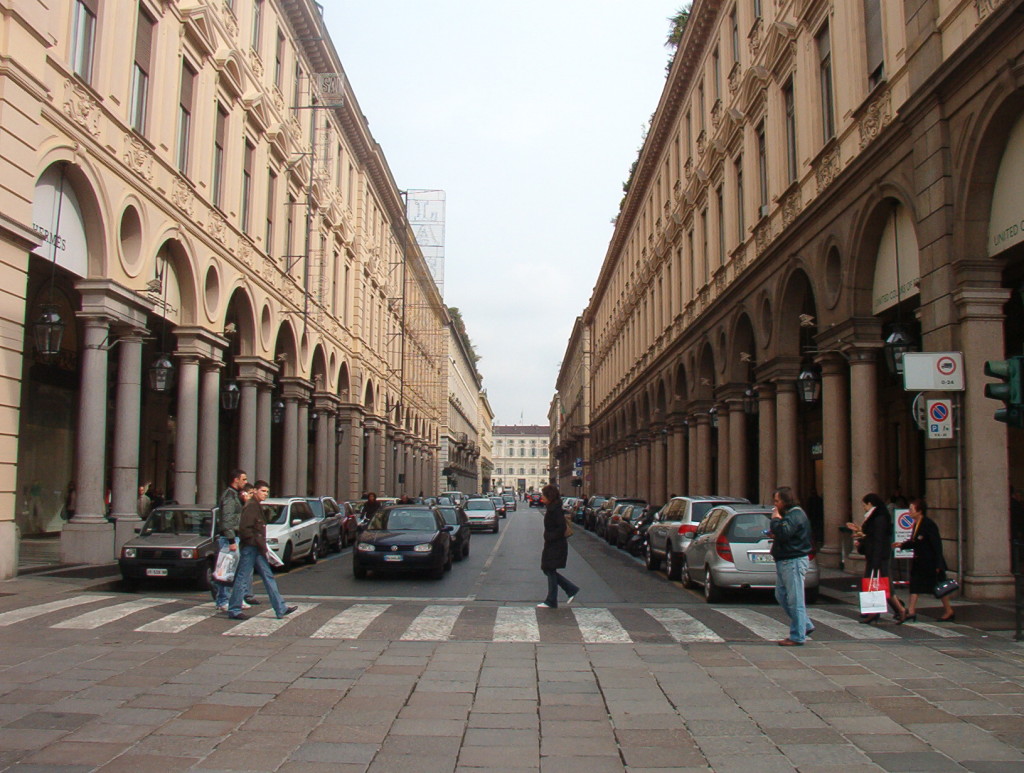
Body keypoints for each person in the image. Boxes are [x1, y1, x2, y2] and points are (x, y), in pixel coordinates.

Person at [226, 480, 297, 620]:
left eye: (267, 492)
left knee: (267, 576)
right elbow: (245, 528)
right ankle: (234, 609)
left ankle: (280, 608)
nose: (265, 494)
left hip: (257, 547)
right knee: (243, 577)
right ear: (255, 491)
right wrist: (254, 542)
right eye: (263, 491)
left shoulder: (256, 505)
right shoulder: (251, 506)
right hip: (251, 547)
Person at [848, 493, 907, 623]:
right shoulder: (878, 516)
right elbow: (873, 536)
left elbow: (878, 539)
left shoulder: (879, 518)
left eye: (864, 505)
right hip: (876, 556)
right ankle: (877, 611)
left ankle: (898, 610)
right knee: (879, 585)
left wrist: (875, 559)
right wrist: (861, 535)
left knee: (881, 585)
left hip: (878, 557)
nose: (864, 508)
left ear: (870, 504)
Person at [893, 498, 954, 622]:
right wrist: (902, 545)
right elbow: (915, 542)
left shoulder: (928, 524)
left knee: (939, 586)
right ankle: (911, 611)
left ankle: (949, 610)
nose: (909, 512)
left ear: (919, 511)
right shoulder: (917, 524)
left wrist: (939, 563)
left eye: (911, 509)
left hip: (930, 562)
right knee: (915, 585)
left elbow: (936, 544)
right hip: (919, 561)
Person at [769, 486, 814, 646]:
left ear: (785, 501)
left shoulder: (795, 514)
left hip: (793, 560)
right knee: (781, 595)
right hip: (786, 560)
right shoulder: (791, 515)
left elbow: (784, 533)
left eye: (777, 501)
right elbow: (786, 534)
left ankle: (798, 636)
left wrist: (775, 520)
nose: (775, 505)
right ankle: (805, 624)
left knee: (795, 600)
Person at [215, 469, 256, 612]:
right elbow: (227, 520)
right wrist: (231, 540)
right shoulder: (229, 496)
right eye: (243, 479)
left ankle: (236, 598)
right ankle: (223, 600)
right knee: (227, 570)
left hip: (238, 536)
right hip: (230, 538)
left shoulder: (236, 495)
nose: (245, 482)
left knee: (237, 570)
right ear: (236, 479)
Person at [537, 483, 580, 609]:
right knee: (548, 569)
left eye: (543, 495)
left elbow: (561, 527)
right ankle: (570, 589)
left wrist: (549, 536)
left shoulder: (554, 510)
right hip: (554, 544)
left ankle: (552, 600)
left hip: (556, 544)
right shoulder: (553, 508)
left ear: (549, 496)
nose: (541, 497)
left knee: (549, 569)